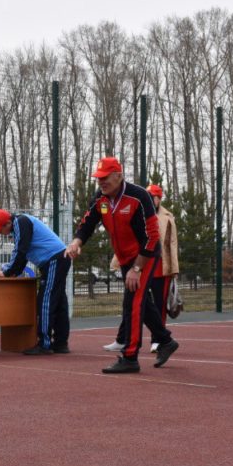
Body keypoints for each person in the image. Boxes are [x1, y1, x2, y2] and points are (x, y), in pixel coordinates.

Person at [66, 157, 178, 373]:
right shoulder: (101, 199)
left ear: (119, 175)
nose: (101, 182)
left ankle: (130, 357)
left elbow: (152, 237)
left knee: (135, 303)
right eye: (98, 178)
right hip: (125, 257)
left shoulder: (139, 196)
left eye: (105, 177)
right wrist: (76, 242)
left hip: (145, 257)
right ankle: (165, 340)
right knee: (137, 303)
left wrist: (136, 269)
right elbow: (87, 223)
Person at [103, 183, 180, 353]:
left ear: (160, 198)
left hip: (160, 266)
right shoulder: (137, 209)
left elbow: (171, 243)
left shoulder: (167, 217)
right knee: (131, 302)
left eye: (155, 197)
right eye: (150, 196)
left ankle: (157, 340)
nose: (152, 200)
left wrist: (174, 267)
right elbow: (125, 236)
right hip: (139, 263)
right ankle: (124, 339)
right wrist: (118, 261)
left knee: (156, 304)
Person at [0, 209, 71, 355]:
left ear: (8, 223)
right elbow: (20, 252)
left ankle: (44, 344)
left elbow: (21, 251)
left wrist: (8, 272)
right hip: (57, 259)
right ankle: (60, 342)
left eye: (0, 230)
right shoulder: (19, 226)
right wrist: (10, 270)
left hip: (53, 260)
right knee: (58, 301)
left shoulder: (21, 222)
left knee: (45, 300)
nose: (0, 234)